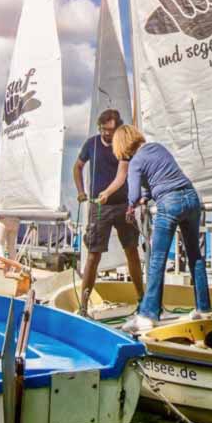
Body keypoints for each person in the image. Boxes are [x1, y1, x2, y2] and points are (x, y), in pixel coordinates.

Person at [104, 124, 209, 333]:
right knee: (195, 256)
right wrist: (146, 196)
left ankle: (148, 315)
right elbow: (159, 178)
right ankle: (204, 309)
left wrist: (133, 204)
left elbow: (132, 196)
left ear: (121, 146)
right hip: (191, 197)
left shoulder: (135, 162)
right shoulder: (158, 148)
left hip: (170, 203)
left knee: (157, 259)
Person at [73, 109, 145, 312]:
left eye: (111, 130)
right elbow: (77, 167)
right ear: (100, 127)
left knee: (131, 250)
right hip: (99, 207)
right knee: (93, 254)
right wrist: (81, 191)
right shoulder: (91, 144)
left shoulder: (121, 145)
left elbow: (121, 176)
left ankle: (142, 298)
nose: (107, 134)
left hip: (123, 205)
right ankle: (84, 305)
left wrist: (108, 192)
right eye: (104, 130)